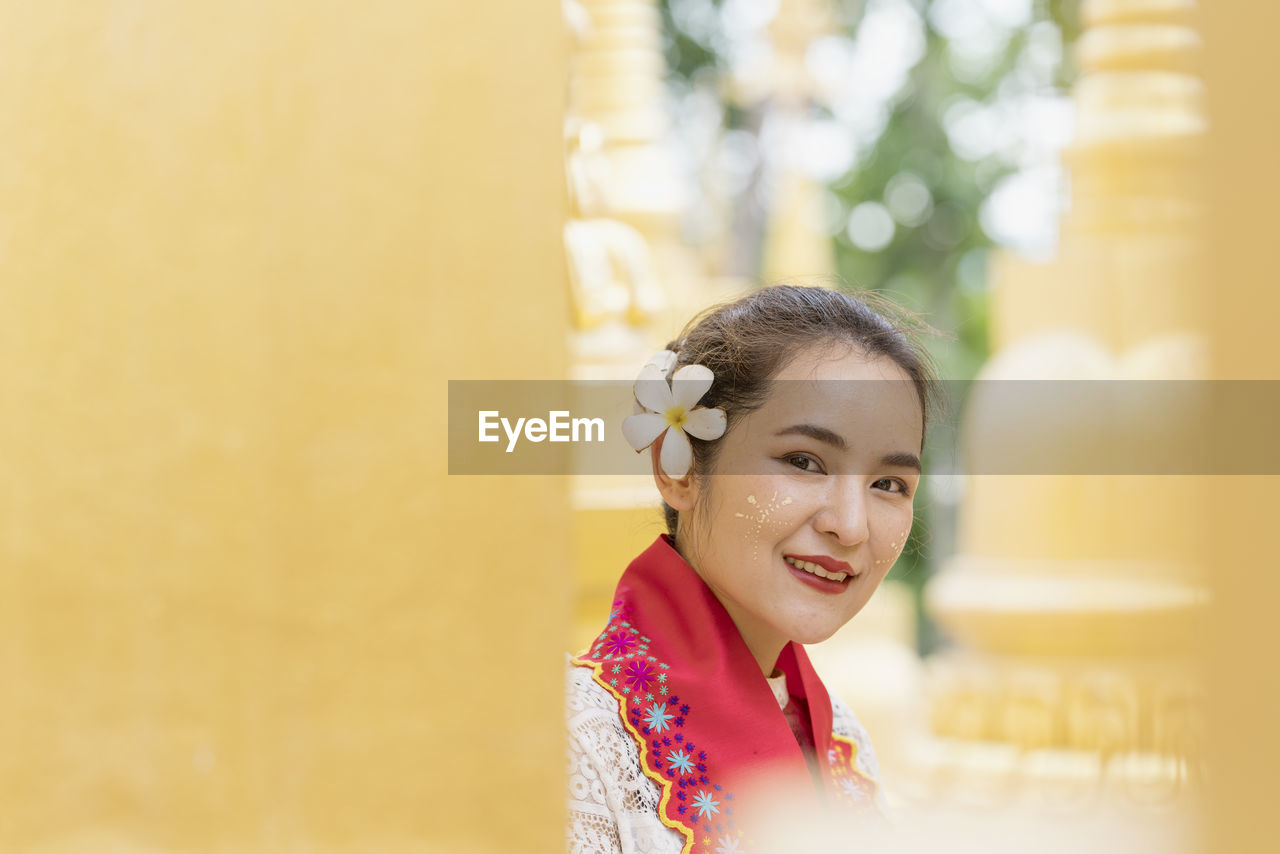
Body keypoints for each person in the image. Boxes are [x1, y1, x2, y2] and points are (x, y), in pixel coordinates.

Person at [566, 284, 942, 854]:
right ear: (682, 471)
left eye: (888, 484)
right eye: (803, 462)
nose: (851, 525)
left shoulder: (841, 743)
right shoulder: (581, 747)